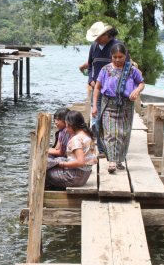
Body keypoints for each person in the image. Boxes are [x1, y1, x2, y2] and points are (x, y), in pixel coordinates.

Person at [91, 42, 145, 174]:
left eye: (120, 57)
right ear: (111, 56)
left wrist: (136, 91)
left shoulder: (131, 70)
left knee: (123, 133)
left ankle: (119, 159)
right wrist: (94, 106)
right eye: (114, 57)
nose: (117, 59)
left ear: (125, 56)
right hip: (108, 104)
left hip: (126, 105)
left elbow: (141, 83)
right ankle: (112, 161)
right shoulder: (105, 69)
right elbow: (97, 87)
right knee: (110, 133)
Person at [78, 21, 128, 154]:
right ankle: (101, 149)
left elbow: (126, 67)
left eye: (99, 37)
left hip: (114, 93)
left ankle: (113, 150)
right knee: (96, 120)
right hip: (97, 89)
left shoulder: (118, 46)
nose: (97, 40)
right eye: (95, 38)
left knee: (112, 122)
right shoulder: (94, 47)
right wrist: (91, 80)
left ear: (107, 35)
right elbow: (90, 65)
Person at [45, 110, 98, 190]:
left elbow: (80, 162)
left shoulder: (76, 139)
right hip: (84, 175)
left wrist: (62, 165)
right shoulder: (87, 135)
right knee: (55, 162)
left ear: (71, 125)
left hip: (75, 178)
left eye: (66, 125)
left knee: (44, 172)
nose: (66, 128)